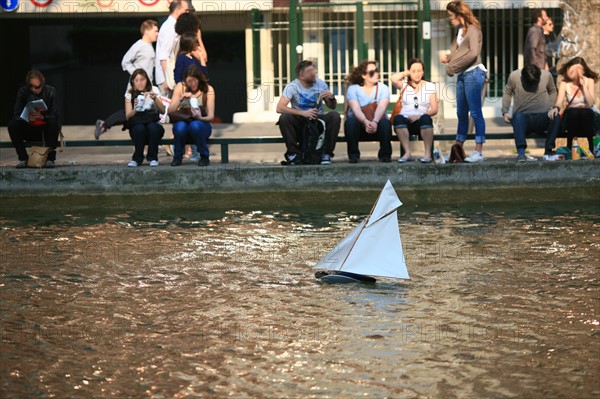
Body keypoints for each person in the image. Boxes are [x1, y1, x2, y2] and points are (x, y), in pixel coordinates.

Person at [95, 20, 159, 138]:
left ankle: (148, 140)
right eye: (155, 31)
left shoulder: (149, 46)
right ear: (146, 31)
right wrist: (137, 77)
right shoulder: (139, 45)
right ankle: (105, 124)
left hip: (146, 86)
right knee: (134, 112)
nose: (157, 33)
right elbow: (125, 61)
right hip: (137, 85)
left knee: (144, 112)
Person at [441, 0, 487, 163]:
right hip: (463, 75)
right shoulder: (459, 32)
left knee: (475, 113)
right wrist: (448, 58)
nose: (450, 19)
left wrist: (452, 67)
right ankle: (457, 149)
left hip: (474, 74)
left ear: (460, 15)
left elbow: (473, 53)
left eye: (451, 16)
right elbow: (459, 53)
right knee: (461, 113)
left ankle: (478, 152)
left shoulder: (473, 30)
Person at [275, 60, 341, 165]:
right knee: (284, 118)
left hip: (317, 119)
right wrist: (303, 113)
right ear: (301, 76)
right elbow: (279, 108)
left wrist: (332, 98)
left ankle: (326, 153)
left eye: (313, 69)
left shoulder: (321, 84)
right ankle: (294, 154)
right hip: (301, 120)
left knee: (335, 116)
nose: (314, 72)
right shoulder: (292, 87)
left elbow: (332, 107)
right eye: (309, 71)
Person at [502, 64, 561, 162]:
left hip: (542, 117)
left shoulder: (546, 75)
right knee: (517, 116)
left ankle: (548, 150)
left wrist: (552, 107)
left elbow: (552, 90)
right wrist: (505, 111)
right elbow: (507, 92)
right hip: (523, 120)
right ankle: (521, 153)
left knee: (556, 117)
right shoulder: (514, 76)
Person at [8, 70, 60, 169]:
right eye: (31, 86)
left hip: (45, 130)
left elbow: (55, 114)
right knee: (12, 124)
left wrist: (43, 117)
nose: (34, 89)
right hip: (29, 128)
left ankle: (50, 159)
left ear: (42, 83)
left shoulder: (51, 91)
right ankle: (23, 158)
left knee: (53, 123)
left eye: (37, 86)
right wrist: (26, 117)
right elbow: (16, 114)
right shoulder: (23, 91)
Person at [390, 59, 439, 163]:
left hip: (421, 120)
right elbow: (393, 78)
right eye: (414, 71)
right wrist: (406, 73)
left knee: (426, 118)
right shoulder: (404, 85)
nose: (417, 74)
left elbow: (434, 109)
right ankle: (407, 153)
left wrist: (419, 116)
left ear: (423, 72)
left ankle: (427, 155)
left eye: (419, 71)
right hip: (405, 120)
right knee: (398, 119)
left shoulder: (430, 86)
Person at [344, 61, 392, 163]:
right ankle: (353, 155)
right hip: (359, 125)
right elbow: (355, 108)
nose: (376, 74)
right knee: (350, 122)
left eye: (377, 71)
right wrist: (365, 122)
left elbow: (382, 107)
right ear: (364, 75)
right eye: (372, 72)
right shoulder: (353, 89)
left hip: (378, 124)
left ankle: (385, 155)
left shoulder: (383, 88)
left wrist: (374, 122)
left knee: (385, 123)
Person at [167, 65, 215, 166]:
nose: (192, 84)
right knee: (180, 127)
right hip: (184, 121)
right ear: (185, 80)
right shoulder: (181, 87)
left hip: (201, 124)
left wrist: (200, 117)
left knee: (195, 125)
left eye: (195, 80)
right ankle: (177, 157)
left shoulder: (208, 89)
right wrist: (181, 99)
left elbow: (211, 116)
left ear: (199, 79)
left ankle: (204, 156)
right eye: (189, 81)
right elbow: (170, 111)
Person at [549, 57, 598, 151]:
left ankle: (591, 147)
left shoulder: (589, 81)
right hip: (572, 117)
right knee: (574, 112)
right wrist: (555, 108)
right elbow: (559, 102)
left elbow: (591, 103)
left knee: (585, 112)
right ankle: (569, 145)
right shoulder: (564, 83)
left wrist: (584, 87)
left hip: (587, 116)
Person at [124, 69, 166, 167]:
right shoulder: (129, 93)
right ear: (133, 82)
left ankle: (153, 158)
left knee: (153, 128)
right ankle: (137, 159)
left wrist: (155, 98)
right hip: (137, 124)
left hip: (152, 123)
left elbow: (163, 111)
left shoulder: (154, 90)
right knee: (140, 129)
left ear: (147, 80)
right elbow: (127, 116)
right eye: (136, 80)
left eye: (142, 79)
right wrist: (136, 108)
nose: (139, 83)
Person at [155, 0, 192, 97]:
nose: (187, 13)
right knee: (169, 109)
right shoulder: (170, 27)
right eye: (186, 10)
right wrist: (167, 80)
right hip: (167, 79)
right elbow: (164, 55)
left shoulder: (173, 26)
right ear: (177, 11)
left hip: (171, 76)